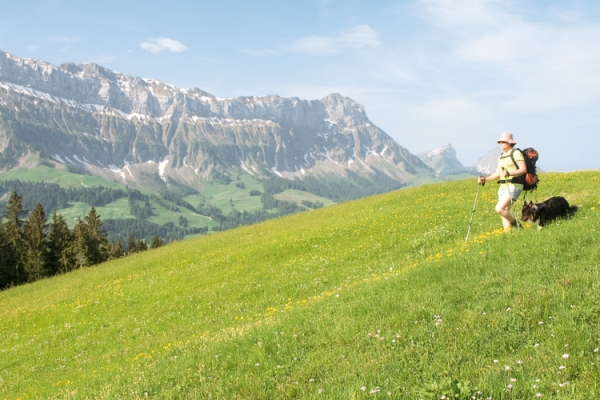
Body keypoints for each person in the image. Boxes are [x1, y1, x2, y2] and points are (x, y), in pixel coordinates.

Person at [477, 132, 527, 231]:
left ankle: (516, 225)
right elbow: (497, 174)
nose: (501, 144)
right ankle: (508, 234)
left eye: (503, 142)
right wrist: (484, 180)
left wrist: (509, 173)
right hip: (503, 187)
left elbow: (523, 170)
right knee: (504, 210)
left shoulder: (516, 153)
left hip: (514, 185)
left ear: (509, 142)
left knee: (499, 209)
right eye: (500, 142)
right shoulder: (501, 156)